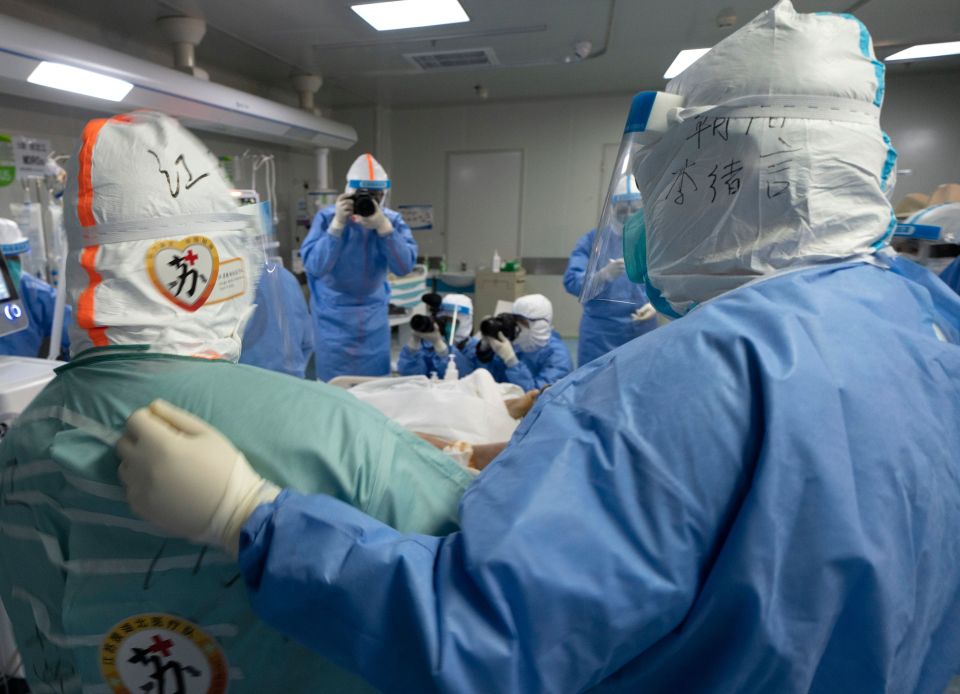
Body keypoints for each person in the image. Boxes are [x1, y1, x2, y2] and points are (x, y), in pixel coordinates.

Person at [117, 4, 960, 692]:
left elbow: (486, 636)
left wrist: (248, 517)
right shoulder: (919, 317)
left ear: (704, 178)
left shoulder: (683, 382)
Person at [0, 111, 471, 694]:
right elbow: (492, 586)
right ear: (223, 262)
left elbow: (42, 638)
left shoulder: (24, 437)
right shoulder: (337, 432)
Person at [301, 154, 417, 381]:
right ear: (348, 192)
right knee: (335, 390)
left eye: (377, 195)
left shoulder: (391, 221)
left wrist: (385, 229)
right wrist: (336, 228)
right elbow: (314, 267)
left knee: (374, 389)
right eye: (363, 195)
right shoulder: (327, 218)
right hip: (333, 321)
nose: (371, 201)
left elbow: (404, 266)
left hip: (372, 322)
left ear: (384, 194)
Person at [563, 227, 657, 367]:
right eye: (623, 208)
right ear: (613, 207)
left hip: (641, 328)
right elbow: (572, 282)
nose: (628, 213)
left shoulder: (650, 239)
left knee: (638, 379)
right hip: (600, 333)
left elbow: (668, 278)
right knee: (595, 383)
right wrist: (602, 276)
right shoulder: (593, 240)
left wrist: (656, 304)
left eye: (634, 209)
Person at [0, 217, 70, 359]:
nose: (8, 267)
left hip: (23, 376)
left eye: (13, 258)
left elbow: (75, 333)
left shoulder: (33, 292)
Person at [477, 293, 573, 390]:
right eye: (515, 321)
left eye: (522, 322)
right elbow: (489, 380)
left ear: (540, 324)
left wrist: (512, 362)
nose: (517, 327)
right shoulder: (516, 344)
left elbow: (538, 396)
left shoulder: (558, 357)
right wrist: (485, 351)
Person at [239, 258, 315, 378]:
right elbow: (307, 342)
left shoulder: (217, 289)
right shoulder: (283, 276)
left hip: (243, 389)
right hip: (291, 388)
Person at [397, 293, 477, 378]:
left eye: (452, 321)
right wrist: (414, 341)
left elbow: (464, 377)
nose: (447, 325)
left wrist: (440, 346)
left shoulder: (475, 348)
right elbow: (410, 376)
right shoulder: (428, 345)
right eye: (443, 320)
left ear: (466, 321)